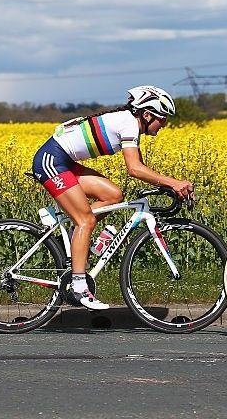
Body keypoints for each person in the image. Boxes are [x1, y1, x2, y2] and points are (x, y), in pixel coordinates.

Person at [31, 85, 193, 310]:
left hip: (64, 164)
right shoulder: (128, 123)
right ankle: (78, 287)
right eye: (162, 120)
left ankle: (73, 238)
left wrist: (168, 185)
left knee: (113, 195)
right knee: (85, 220)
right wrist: (174, 183)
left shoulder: (130, 123)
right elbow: (134, 169)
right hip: (51, 161)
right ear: (146, 115)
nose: (163, 126)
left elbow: (142, 168)